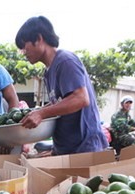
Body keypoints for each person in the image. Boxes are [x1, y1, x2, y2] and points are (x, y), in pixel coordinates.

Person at [15, 16, 108, 155]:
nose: (23, 52)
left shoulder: (65, 61)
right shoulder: (48, 71)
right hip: (67, 150)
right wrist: (36, 112)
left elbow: (81, 98)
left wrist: (41, 113)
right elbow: (59, 103)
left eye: (24, 46)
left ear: (39, 39)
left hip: (84, 148)